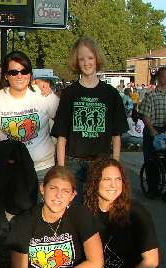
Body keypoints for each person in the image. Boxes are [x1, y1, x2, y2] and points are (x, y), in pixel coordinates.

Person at [52, 37, 128, 200]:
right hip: (73, 163)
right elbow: (62, 136)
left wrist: (115, 166)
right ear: (76, 62)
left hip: (101, 164)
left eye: (90, 58)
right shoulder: (69, 93)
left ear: (97, 59)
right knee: (74, 210)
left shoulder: (111, 94)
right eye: (81, 59)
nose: (86, 63)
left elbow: (116, 136)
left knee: (100, 211)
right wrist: (61, 169)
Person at [0, 51, 59, 183]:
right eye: (13, 72)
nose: (19, 76)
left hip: (43, 170)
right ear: (5, 75)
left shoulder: (44, 95)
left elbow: (63, 123)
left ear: (30, 73)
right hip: (10, 171)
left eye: (24, 71)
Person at [140, 67, 166, 196]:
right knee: (152, 160)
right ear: (158, 78)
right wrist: (151, 130)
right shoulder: (150, 95)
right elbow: (145, 116)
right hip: (155, 129)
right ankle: (152, 188)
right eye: (164, 76)